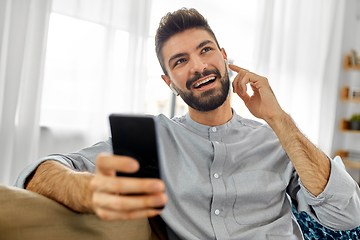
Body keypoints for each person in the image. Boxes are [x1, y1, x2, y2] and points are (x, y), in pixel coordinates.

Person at [16, 8, 360, 239]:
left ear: (225, 59)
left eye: (206, 50)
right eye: (180, 60)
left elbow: (346, 216)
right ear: (169, 82)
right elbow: (39, 173)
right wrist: (86, 191)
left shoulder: (278, 139)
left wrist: (278, 117)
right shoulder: (151, 139)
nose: (198, 66)